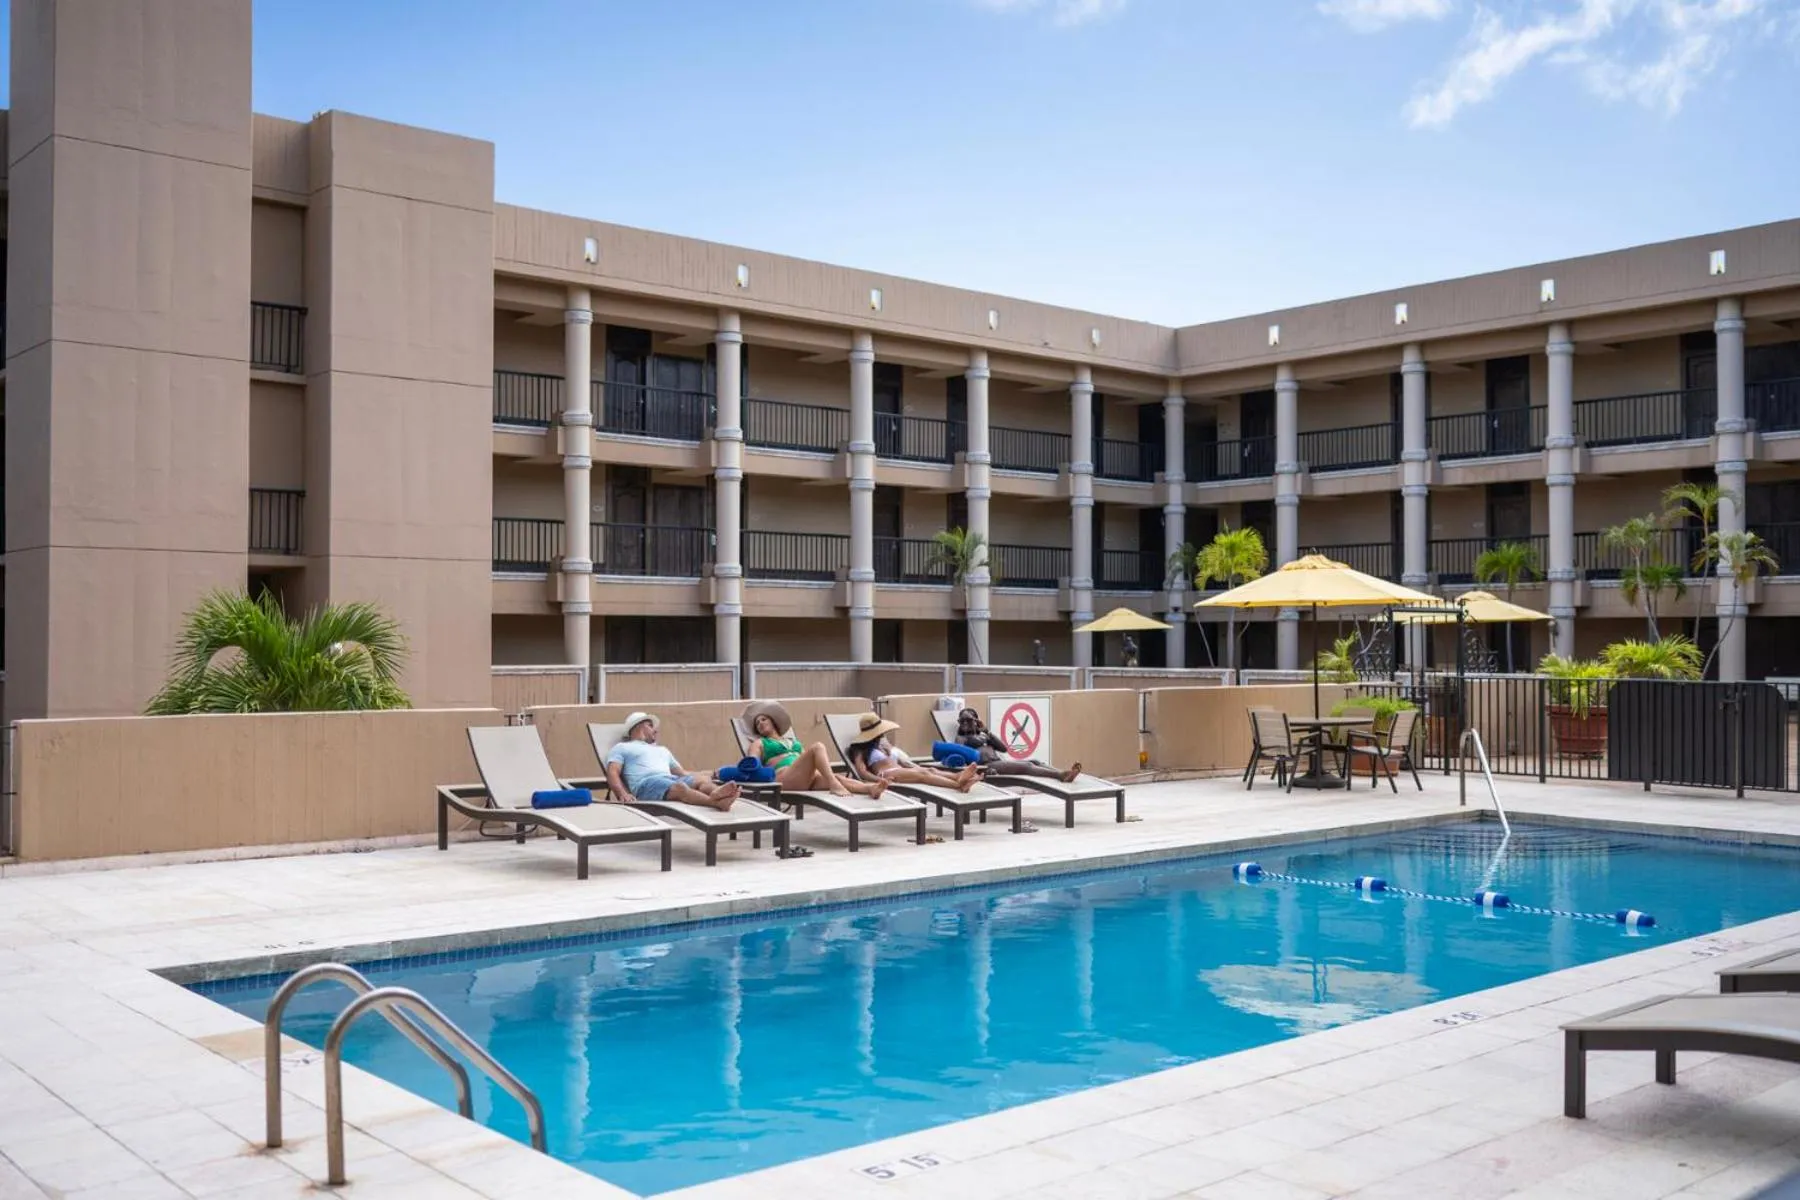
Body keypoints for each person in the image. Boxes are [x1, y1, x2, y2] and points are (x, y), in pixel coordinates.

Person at [741, 701, 888, 800]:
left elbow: (806, 760)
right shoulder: (759, 742)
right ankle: (833, 784)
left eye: (763, 719)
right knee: (818, 747)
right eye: (757, 723)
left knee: (840, 778)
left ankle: (870, 789)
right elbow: (751, 764)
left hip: (804, 779)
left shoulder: (792, 741)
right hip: (783, 779)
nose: (760, 723)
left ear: (773, 721)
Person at [604, 712, 740, 812]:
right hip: (646, 784)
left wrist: (710, 774)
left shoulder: (662, 750)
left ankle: (722, 794)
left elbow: (682, 773)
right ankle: (715, 802)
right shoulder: (622, 747)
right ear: (640, 726)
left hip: (671, 779)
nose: (656, 730)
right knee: (680, 787)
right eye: (651, 726)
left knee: (700, 781)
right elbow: (613, 772)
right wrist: (622, 794)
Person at [846, 712, 979, 792]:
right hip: (887, 774)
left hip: (898, 770)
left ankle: (959, 777)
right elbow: (862, 772)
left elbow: (900, 761)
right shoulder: (860, 749)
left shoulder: (882, 744)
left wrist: (914, 766)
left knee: (930, 770)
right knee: (923, 776)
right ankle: (958, 785)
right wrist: (880, 781)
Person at [953, 707, 1082, 782]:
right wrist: (980, 771)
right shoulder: (961, 738)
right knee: (1026, 766)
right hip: (987, 767)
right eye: (961, 721)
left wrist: (986, 731)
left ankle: (1064, 773)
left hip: (998, 762)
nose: (964, 723)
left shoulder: (984, 735)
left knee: (1035, 761)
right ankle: (1060, 776)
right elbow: (961, 754)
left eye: (968, 720)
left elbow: (1004, 749)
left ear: (976, 722)